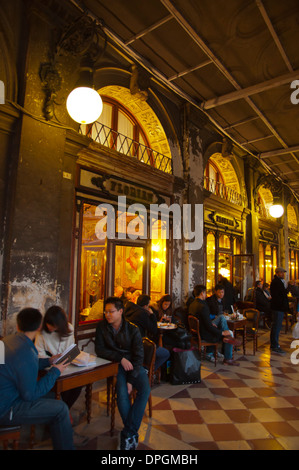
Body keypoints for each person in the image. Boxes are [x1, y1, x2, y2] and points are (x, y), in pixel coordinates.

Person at [0, 307, 74, 450]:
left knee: (54, 396)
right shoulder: (26, 351)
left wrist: (48, 361)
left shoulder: (7, 340)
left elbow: (16, 365)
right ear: (40, 326)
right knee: (61, 409)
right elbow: (30, 394)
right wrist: (55, 371)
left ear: (18, 325)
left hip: (7, 395)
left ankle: (57, 433)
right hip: (7, 407)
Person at [95, 297, 150, 450]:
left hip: (134, 364)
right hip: (116, 364)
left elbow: (139, 356)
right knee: (122, 392)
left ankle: (128, 433)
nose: (107, 315)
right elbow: (100, 350)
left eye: (111, 311)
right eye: (105, 312)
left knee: (145, 390)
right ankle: (131, 435)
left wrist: (131, 380)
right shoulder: (102, 327)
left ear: (120, 311)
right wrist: (120, 358)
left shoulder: (132, 329)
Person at [35, 305, 82, 411]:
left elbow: (71, 348)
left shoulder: (69, 328)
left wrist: (66, 358)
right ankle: (62, 412)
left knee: (77, 384)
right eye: (49, 324)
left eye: (54, 325)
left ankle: (64, 410)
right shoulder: (42, 332)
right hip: (47, 366)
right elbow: (38, 353)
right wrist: (51, 360)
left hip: (65, 365)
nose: (50, 327)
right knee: (62, 384)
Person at [189, 285, 241, 366]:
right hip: (204, 333)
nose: (206, 295)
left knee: (221, 317)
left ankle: (227, 337)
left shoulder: (192, 304)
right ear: (202, 293)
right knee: (229, 332)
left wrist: (211, 323)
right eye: (205, 293)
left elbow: (204, 320)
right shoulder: (203, 306)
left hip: (198, 330)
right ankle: (227, 358)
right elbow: (209, 327)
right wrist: (221, 333)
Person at [125, 294, 170, 372]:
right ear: (146, 306)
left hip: (128, 343)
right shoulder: (141, 314)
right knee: (165, 353)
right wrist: (152, 315)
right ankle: (148, 371)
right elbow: (153, 329)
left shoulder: (129, 311)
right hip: (140, 345)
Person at [270, 267, 289, 354]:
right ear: (277, 273)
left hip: (278, 307)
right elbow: (280, 294)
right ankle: (274, 345)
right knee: (276, 326)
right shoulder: (276, 282)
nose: (283, 274)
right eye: (281, 273)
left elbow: (282, 293)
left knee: (276, 326)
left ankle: (274, 344)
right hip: (278, 307)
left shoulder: (278, 282)